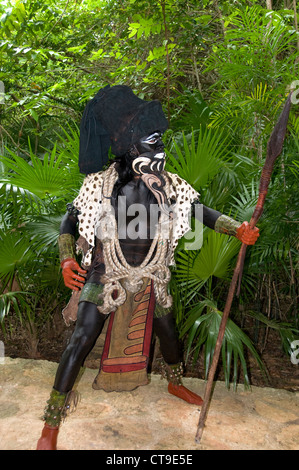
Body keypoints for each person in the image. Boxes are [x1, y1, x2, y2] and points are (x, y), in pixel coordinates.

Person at [36, 85, 259, 450]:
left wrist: (237, 229)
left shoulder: (170, 186)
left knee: (168, 331)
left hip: (154, 271)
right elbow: (69, 223)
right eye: (152, 142)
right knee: (82, 336)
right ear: (130, 147)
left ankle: (174, 380)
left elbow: (200, 212)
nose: (161, 151)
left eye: (160, 141)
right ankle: (51, 423)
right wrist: (66, 258)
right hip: (106, 271)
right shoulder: (101, 185)